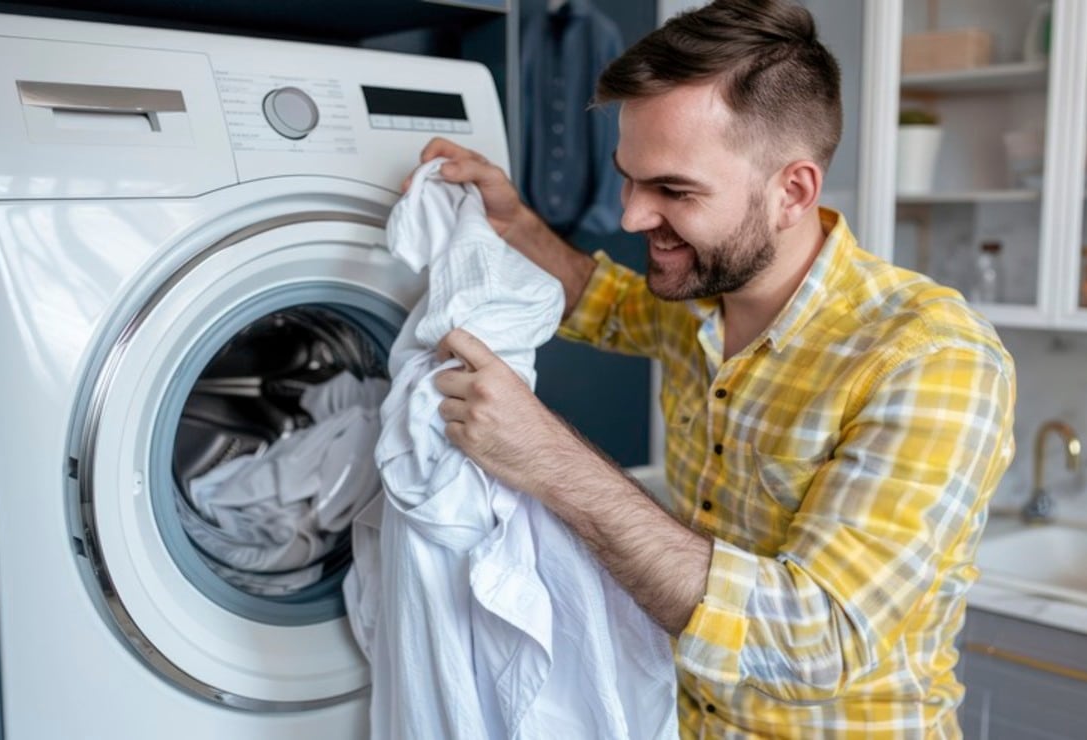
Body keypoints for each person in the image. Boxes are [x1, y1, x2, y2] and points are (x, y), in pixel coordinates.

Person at [416, 0, 1016, 736]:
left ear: (792, 191)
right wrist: (513, 223)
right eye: (628, 179)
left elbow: (811, 642)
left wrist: (544, 456)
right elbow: (601, 302)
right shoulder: (700, 297)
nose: (632, 216)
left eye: (673, 190)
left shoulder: (928, 357)